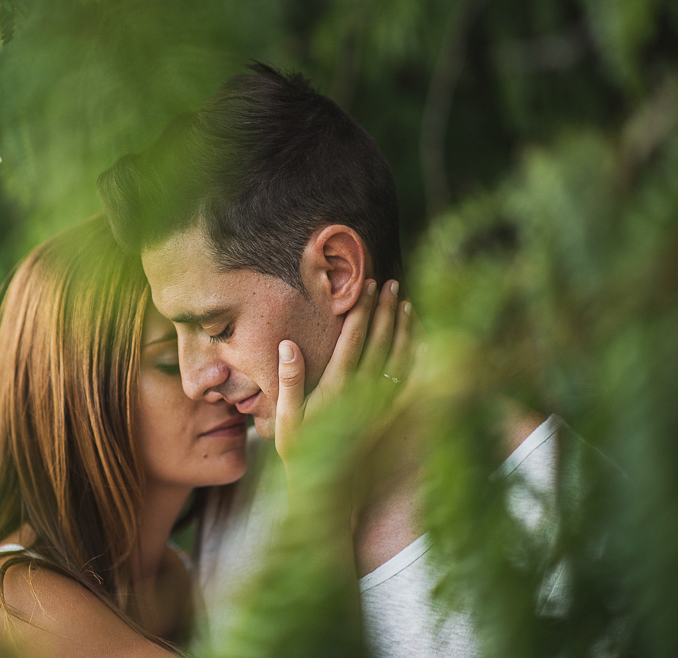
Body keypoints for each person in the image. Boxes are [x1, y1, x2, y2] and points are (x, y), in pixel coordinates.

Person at [97, 62, 565, 655]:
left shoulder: (560, 514)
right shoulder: (241, 482)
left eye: (218, 327)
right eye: (178, 338)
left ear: (337, 272)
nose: (195, 381)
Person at [0, 217, 252, 657]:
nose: (217, 380)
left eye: (219, 336)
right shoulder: (9, 601)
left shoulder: (181, 576)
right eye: (169, 362)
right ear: (82, 395)